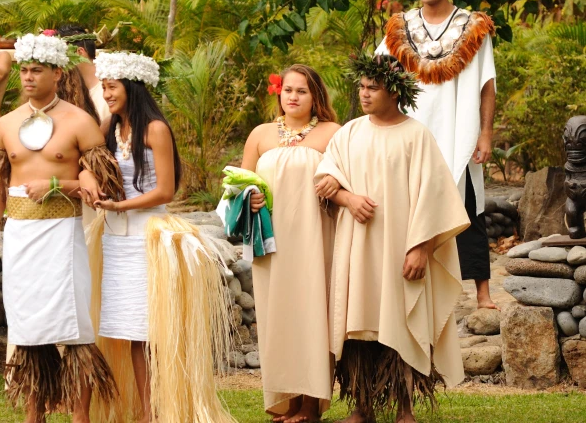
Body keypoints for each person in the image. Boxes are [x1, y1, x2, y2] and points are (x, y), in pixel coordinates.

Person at [0, 32, 120, 423]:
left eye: (37, 70)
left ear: (57, 73)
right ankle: (33, 415)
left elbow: (102, 184)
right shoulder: (6, 125)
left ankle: (80, 417)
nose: (28, 77)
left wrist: (60, 184)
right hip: (20, 234)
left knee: (74, 328)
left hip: (62, 232)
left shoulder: (80, 121)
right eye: (24, 70)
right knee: (27, 329)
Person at [314, 54, 470, 423]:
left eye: (373, 87)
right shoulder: (350, 132)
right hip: (359, 249)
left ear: (394, 91)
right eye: (362, 87)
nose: (365, 94)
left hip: (402, 247)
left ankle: (405, 409)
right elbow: (324, 179)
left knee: (400, 318)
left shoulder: (416, 136)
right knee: (360, 321)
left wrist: (422, 248)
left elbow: (436, 198)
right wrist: (348, 198)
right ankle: (362, 406)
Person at [91, 51, 234, 423]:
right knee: (130, 332)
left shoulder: (154, 128)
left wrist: (122, 206)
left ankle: (157, 411)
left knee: (151, 331)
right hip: (114, 238)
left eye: (112, 87)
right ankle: (143, 410)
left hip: (148, 236)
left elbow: (166, 190)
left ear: (132, 88)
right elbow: (89, 163)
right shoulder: (110, 127)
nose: (106, 94)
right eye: (103, 86)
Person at [376, 0, 498, 309]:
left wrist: (485, 133)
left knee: (469, 206)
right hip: (411, 131)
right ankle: (406, 286)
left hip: (458, 129)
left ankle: (483, 293)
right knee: (407, 204)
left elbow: (487, 85)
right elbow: (379, 76)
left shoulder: (473, 27)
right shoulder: (400, 27)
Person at [239, 65, 341, 422]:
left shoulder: (333, 133)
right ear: (278, 93)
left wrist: (335, 187)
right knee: (277, 316)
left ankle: (311, 404)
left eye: (302, 91)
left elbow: (348, 183)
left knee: (312, 313)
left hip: (315, 238)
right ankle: (286, 401)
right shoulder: (261, 134)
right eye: (288, 90)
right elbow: (238, 184)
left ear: (316, 96)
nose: (293, 97)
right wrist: (247, 196)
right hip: (271, 242)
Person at [56, 23, 110, 121]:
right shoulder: (64, 90)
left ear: (80, 52)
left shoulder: (111, 88)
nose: (58, 62)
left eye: (62, 55)